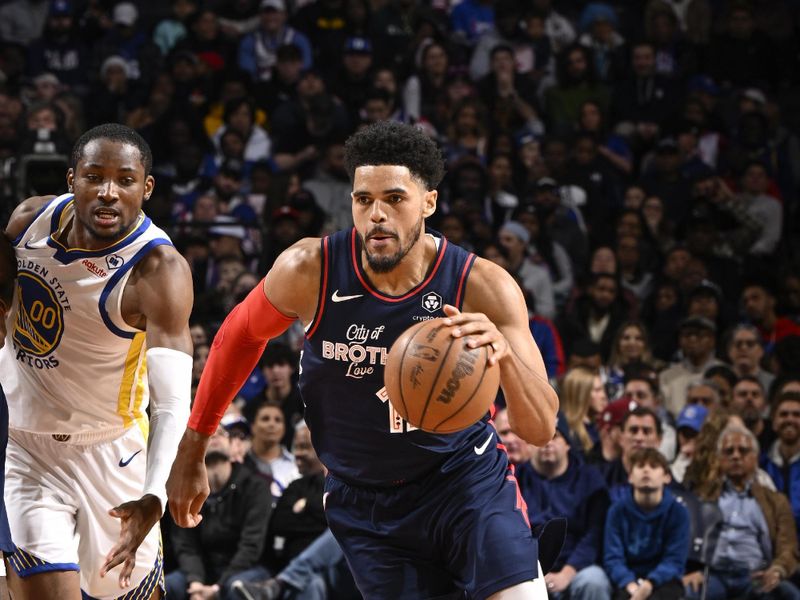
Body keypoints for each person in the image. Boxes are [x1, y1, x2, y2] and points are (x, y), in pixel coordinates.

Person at [167, 120, 559, 598]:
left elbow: (539, 430)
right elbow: (238, 336)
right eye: (363, 199)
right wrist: (194, 444)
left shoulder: (482, 286)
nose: (376, 215)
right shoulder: (311, 269)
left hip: (465, 485)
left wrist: (507, 358)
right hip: (366, 503)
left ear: (429, 202)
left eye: (394, 199)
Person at [1, 123, 194, 599]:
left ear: (145, 188)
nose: (109, 193)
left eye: (125, 180)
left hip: (112, 450)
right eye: (94, 177)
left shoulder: (157, 270)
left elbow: (170, 403)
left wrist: (153, 494)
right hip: (26, 447)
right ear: (72, 180)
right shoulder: (28, 223)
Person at [166, 424, 272, 599]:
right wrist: (196, 583)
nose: (214, 436)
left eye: (221, 433)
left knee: (235, 588)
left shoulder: (255, 487)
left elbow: (251, 545)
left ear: (233, 449)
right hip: (202, 571)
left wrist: (218, 588)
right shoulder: (185, 491)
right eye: (208, 434)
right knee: (168, 585)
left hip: (246, 569)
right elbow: (185, 545)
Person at [697, 425, 800, 600]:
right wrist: (692, 570)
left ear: (756, 458)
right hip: (713, 574)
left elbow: (788, 547)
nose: (736, 456)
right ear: (719, 458)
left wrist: (777, 570)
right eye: (728, 451)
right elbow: (687, 539)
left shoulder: (775, 501)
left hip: (755, 575)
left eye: (743, 451)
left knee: (790, 595)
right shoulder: (703, 496)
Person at [603, 448, 689, 600]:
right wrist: (630, 585)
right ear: (630, 477)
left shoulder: (678, 512)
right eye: (640, 466)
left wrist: (649, 585)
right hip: (627, 581)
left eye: (654, 467)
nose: (646, 471)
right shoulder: (616, 511)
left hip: (663, 581)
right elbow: (613, 558)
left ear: (667, 477)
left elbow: (674, 560)